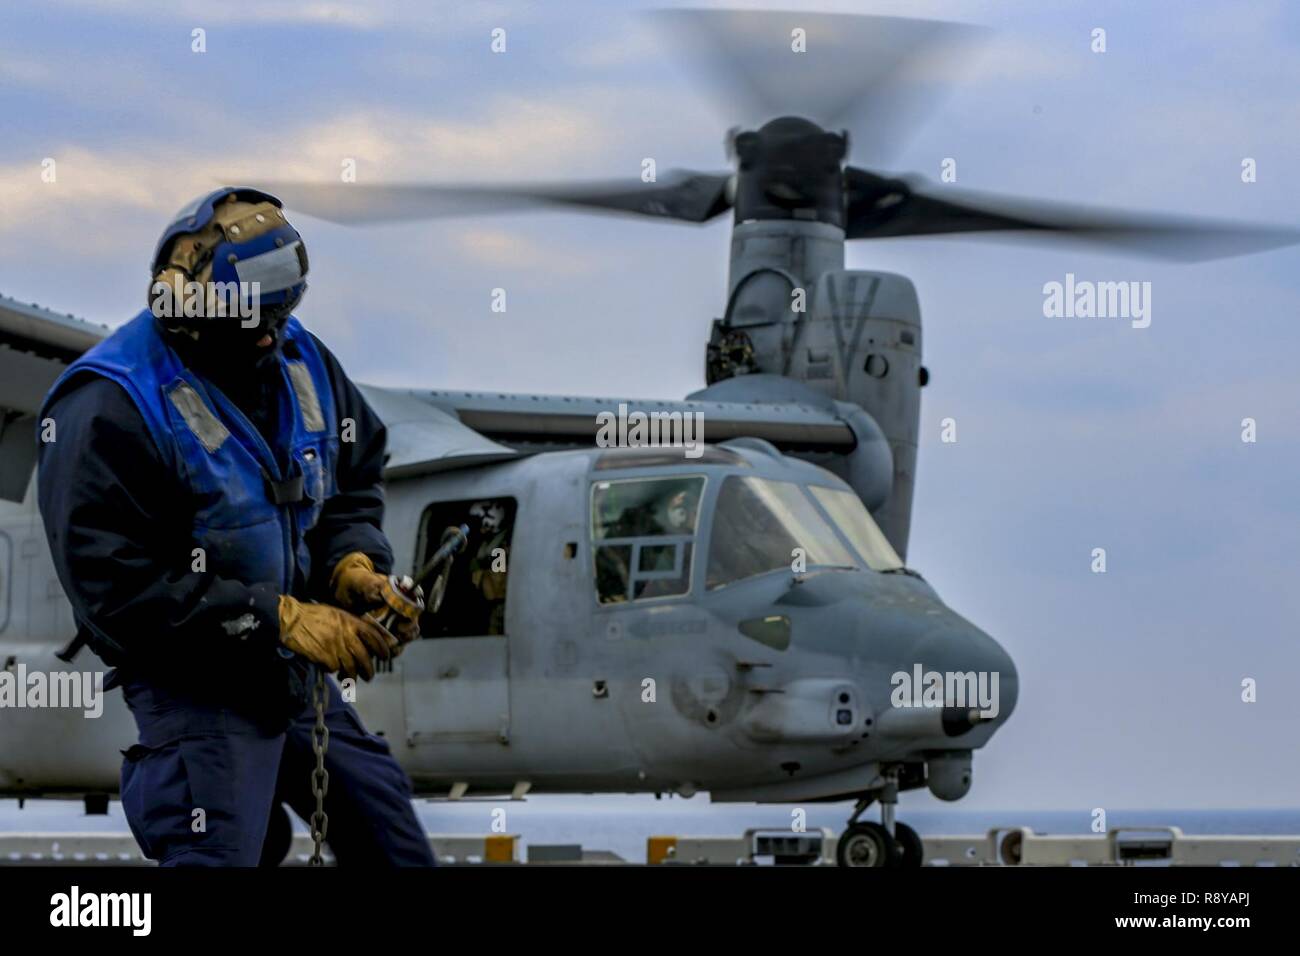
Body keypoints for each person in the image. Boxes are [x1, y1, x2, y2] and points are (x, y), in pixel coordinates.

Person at [36, 187, 435, 866]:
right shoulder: (110, 403)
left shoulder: (297, 358)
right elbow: (113, 589)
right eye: (252, 320)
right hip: (197, 695)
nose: (268, 337)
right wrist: (276, 617)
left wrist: (351, 564)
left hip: (296, 683)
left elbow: (353, 473)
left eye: (280, 315)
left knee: (393, 844)